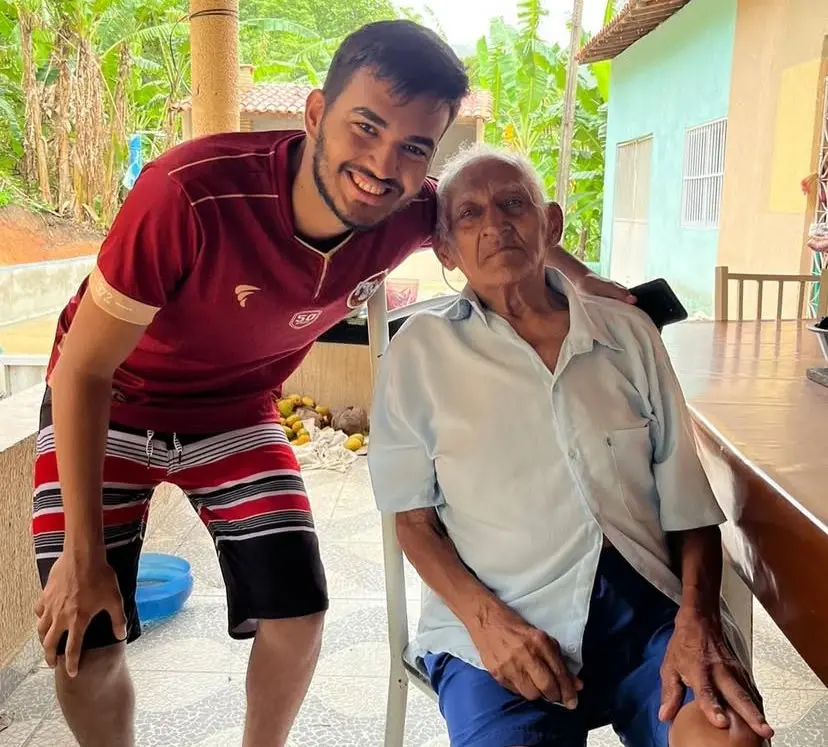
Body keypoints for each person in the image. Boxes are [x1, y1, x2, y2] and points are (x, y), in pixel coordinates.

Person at [32, 20, 630, 747]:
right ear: (315, 114)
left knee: (298, 611)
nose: (383, 164)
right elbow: (82, 368)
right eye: (364, 127)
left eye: (414, 145)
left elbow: (508, 215)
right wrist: (82, 557)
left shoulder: (410, 209)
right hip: (111, 399)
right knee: (84, 633)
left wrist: (588, 281)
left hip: (235, 412)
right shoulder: (187, 195)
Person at [368, 145, 775, 747]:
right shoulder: (419, 352)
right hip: (499, 629)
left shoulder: (626, 334)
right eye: (469, 215)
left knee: (730, 737)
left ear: (551, 224)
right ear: (447, 251)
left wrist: (699, 617)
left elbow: (689, 507)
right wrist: (485, 623)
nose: (497, 224)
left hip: (648, 618)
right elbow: (413, 523)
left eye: (514, 204)